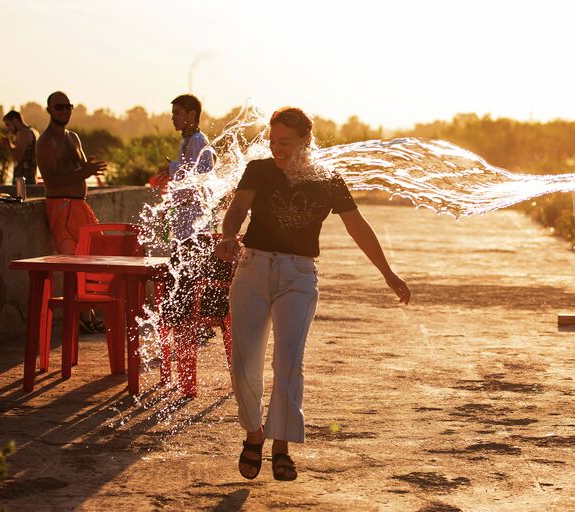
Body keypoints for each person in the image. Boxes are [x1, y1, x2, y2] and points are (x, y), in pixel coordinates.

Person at [215, 107, 411, 481]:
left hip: (298, 276)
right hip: (253, 269)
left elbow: (358, 227)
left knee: (288, 363)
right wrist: (228, 235)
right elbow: (238, 208)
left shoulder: (327, 180)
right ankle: (253, 435)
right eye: (272, 141)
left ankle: (281, 446)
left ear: (305, 141)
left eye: (284, 142)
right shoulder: (259, 169)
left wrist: (387, 272)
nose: (276, 149)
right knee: (244, 363)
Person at [157, 94, 224, 397]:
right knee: (177, 292)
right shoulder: (187, 142)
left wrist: (173, 173)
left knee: (185, 294)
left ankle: (191, 339)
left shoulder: (198, 141)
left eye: (178, 113)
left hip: (195, 229)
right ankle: (185, 335)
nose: (173, 118)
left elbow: (202, 178)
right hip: (184, 228)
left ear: (192, 115)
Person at [36, 91, 107, 333]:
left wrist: (88, 170)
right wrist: (83, 173)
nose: (64, 111)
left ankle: (89, 314)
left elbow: (81, 169)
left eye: (68, 107)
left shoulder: (73, 137)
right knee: (74, 262)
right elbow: (52, 181)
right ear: (49, 110)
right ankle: (79, 316)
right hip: (61, 207)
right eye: (59, 107)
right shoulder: (45, 142)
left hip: (80, 206)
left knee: (92, 259)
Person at [0, 110, 39, 185]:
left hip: (23, 181)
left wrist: (8, 144)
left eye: (8, 124)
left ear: (15, 120)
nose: (8, 128)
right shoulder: (33, 131)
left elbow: (18, 157)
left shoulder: (24, 133)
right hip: (31, 178)